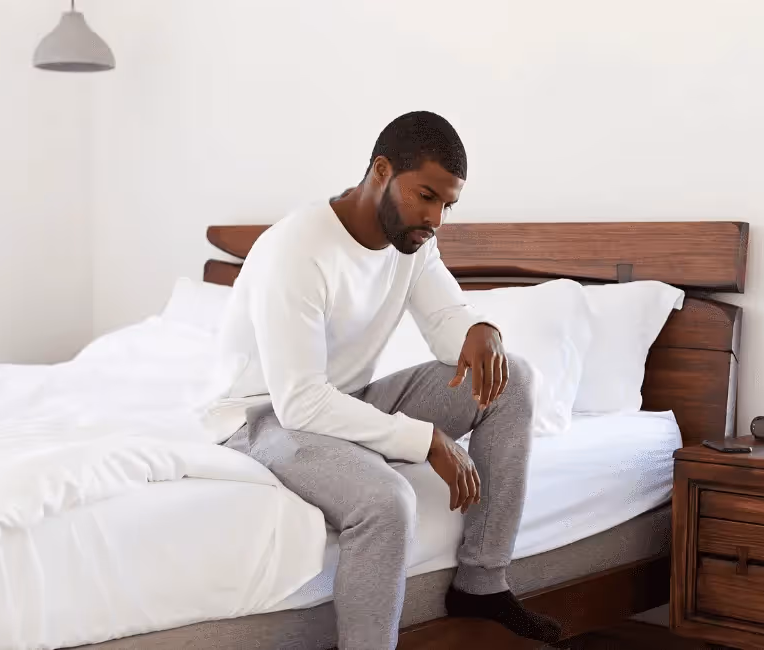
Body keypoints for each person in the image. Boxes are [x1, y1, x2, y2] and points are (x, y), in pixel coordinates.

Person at [207, 111, 561, 649]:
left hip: (346, 402)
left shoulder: (411, 242)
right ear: (381, 170)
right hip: (264, 416)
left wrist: (480, 329)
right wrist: (422, 440)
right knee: (386, 501)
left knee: (513, 380)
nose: (437, 218)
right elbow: (300, 402)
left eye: (447, 204)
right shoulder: (297, 249)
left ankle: (482, 585)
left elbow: (446, 327)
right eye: (425, 197)